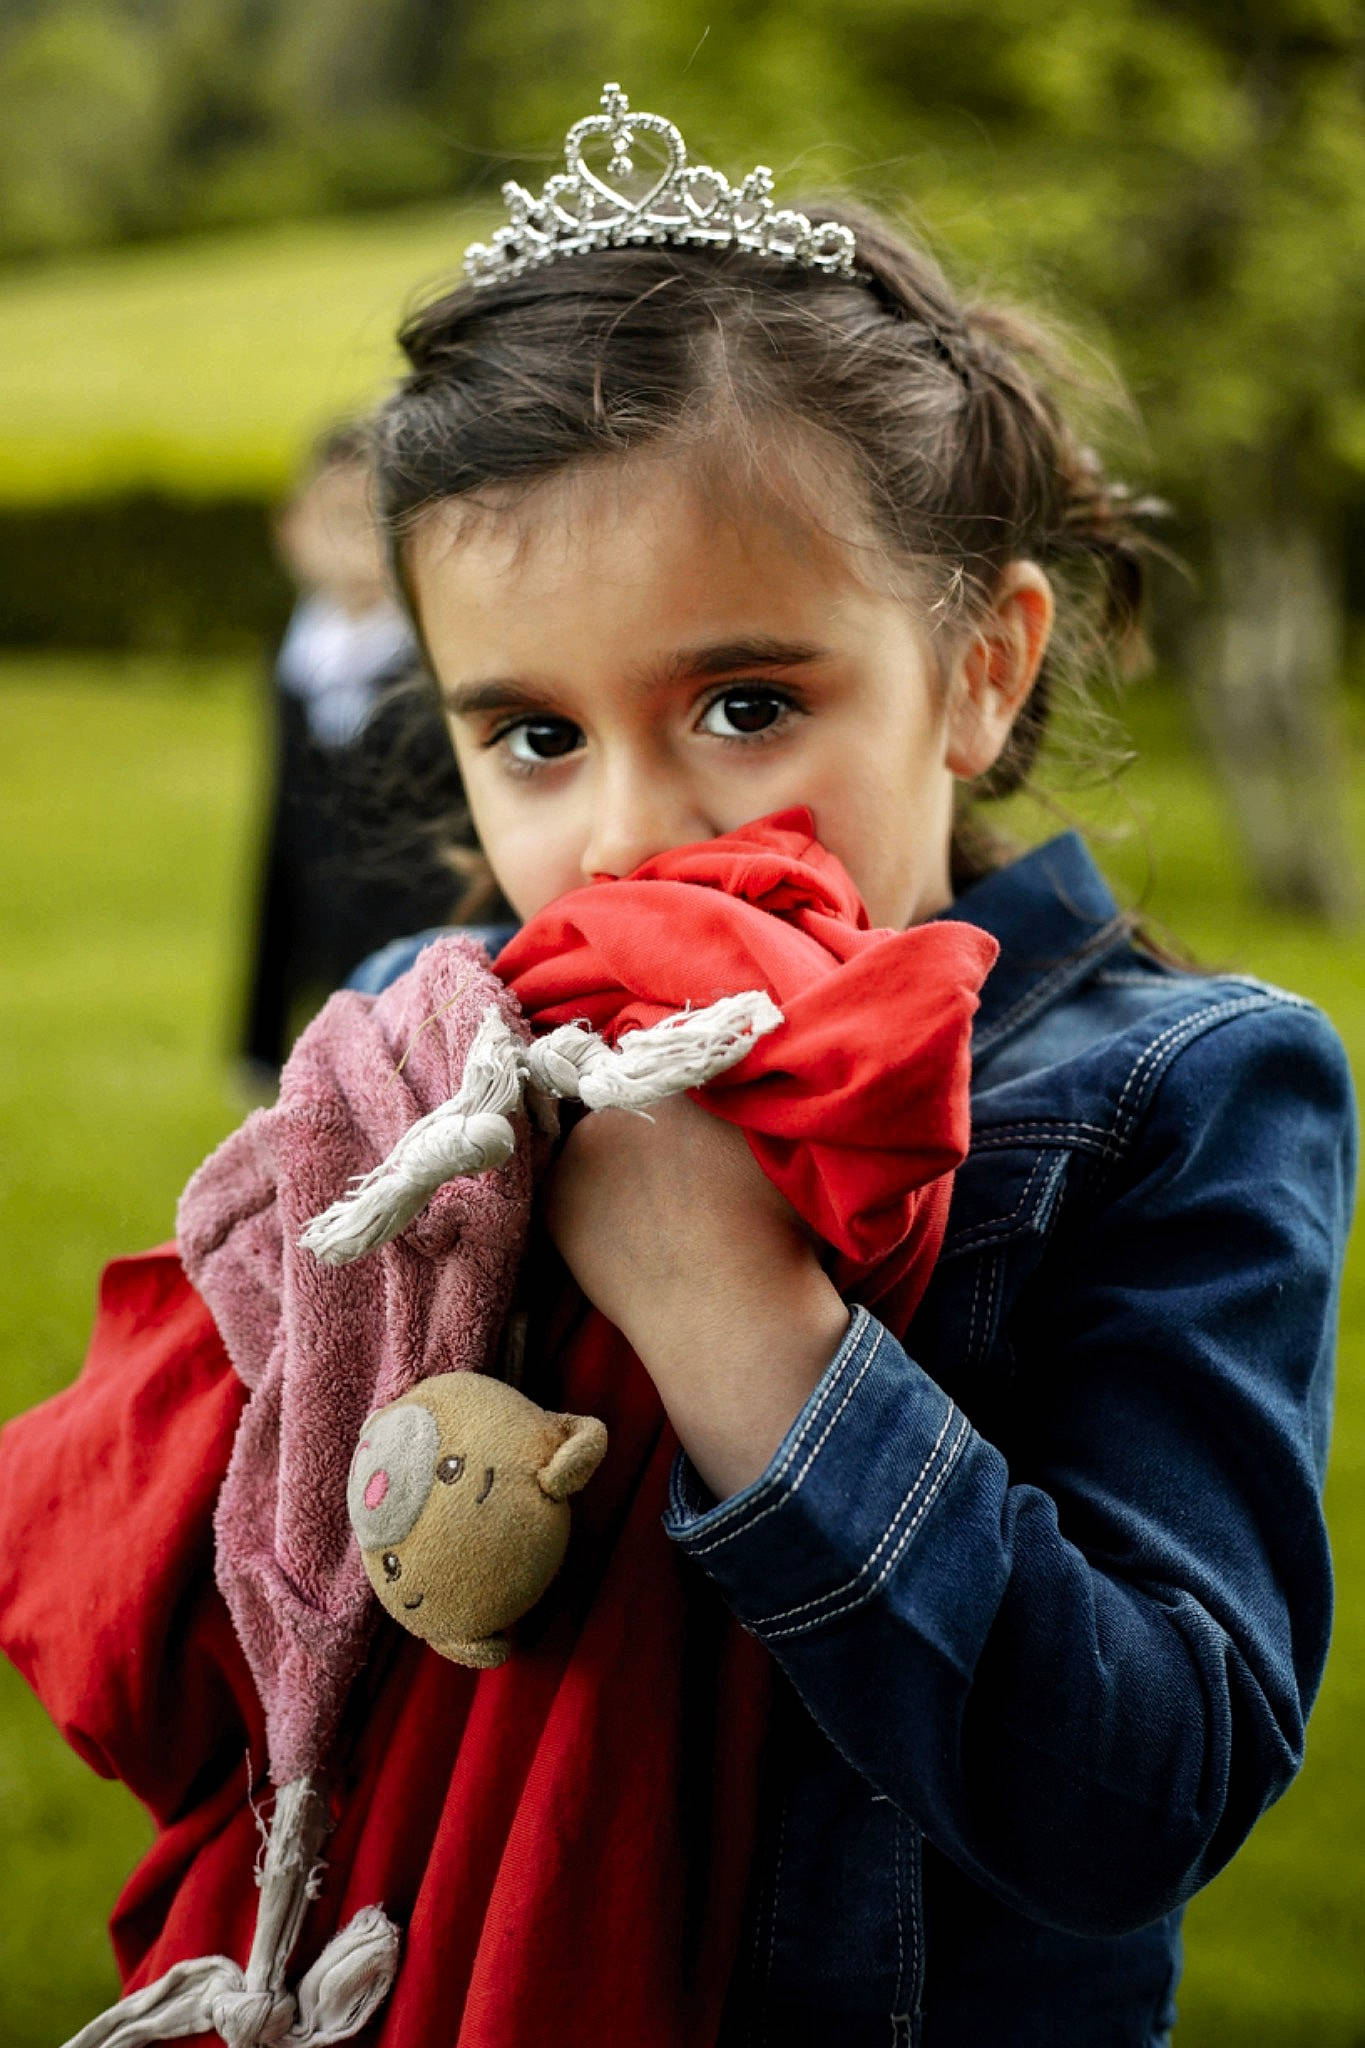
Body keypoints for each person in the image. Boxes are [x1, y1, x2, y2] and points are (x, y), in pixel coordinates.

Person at [1, 86, 1356, 2048]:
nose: (628, 832)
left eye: (741, 701)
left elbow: (1129, 1792)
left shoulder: (1170, 1094)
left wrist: (727, 1305)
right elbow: (180, 1644)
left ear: (977, 665)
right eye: (533, 735)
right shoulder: (427, 1042)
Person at [240, 421, 464, 1086]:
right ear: (291, 531)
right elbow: (279, 844)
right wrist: (261, 1031)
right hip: (334, 956)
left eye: (370, 517)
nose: (353, 540)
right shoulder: (294, 665)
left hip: (428, 969)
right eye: (334, 517)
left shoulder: (441, 664)